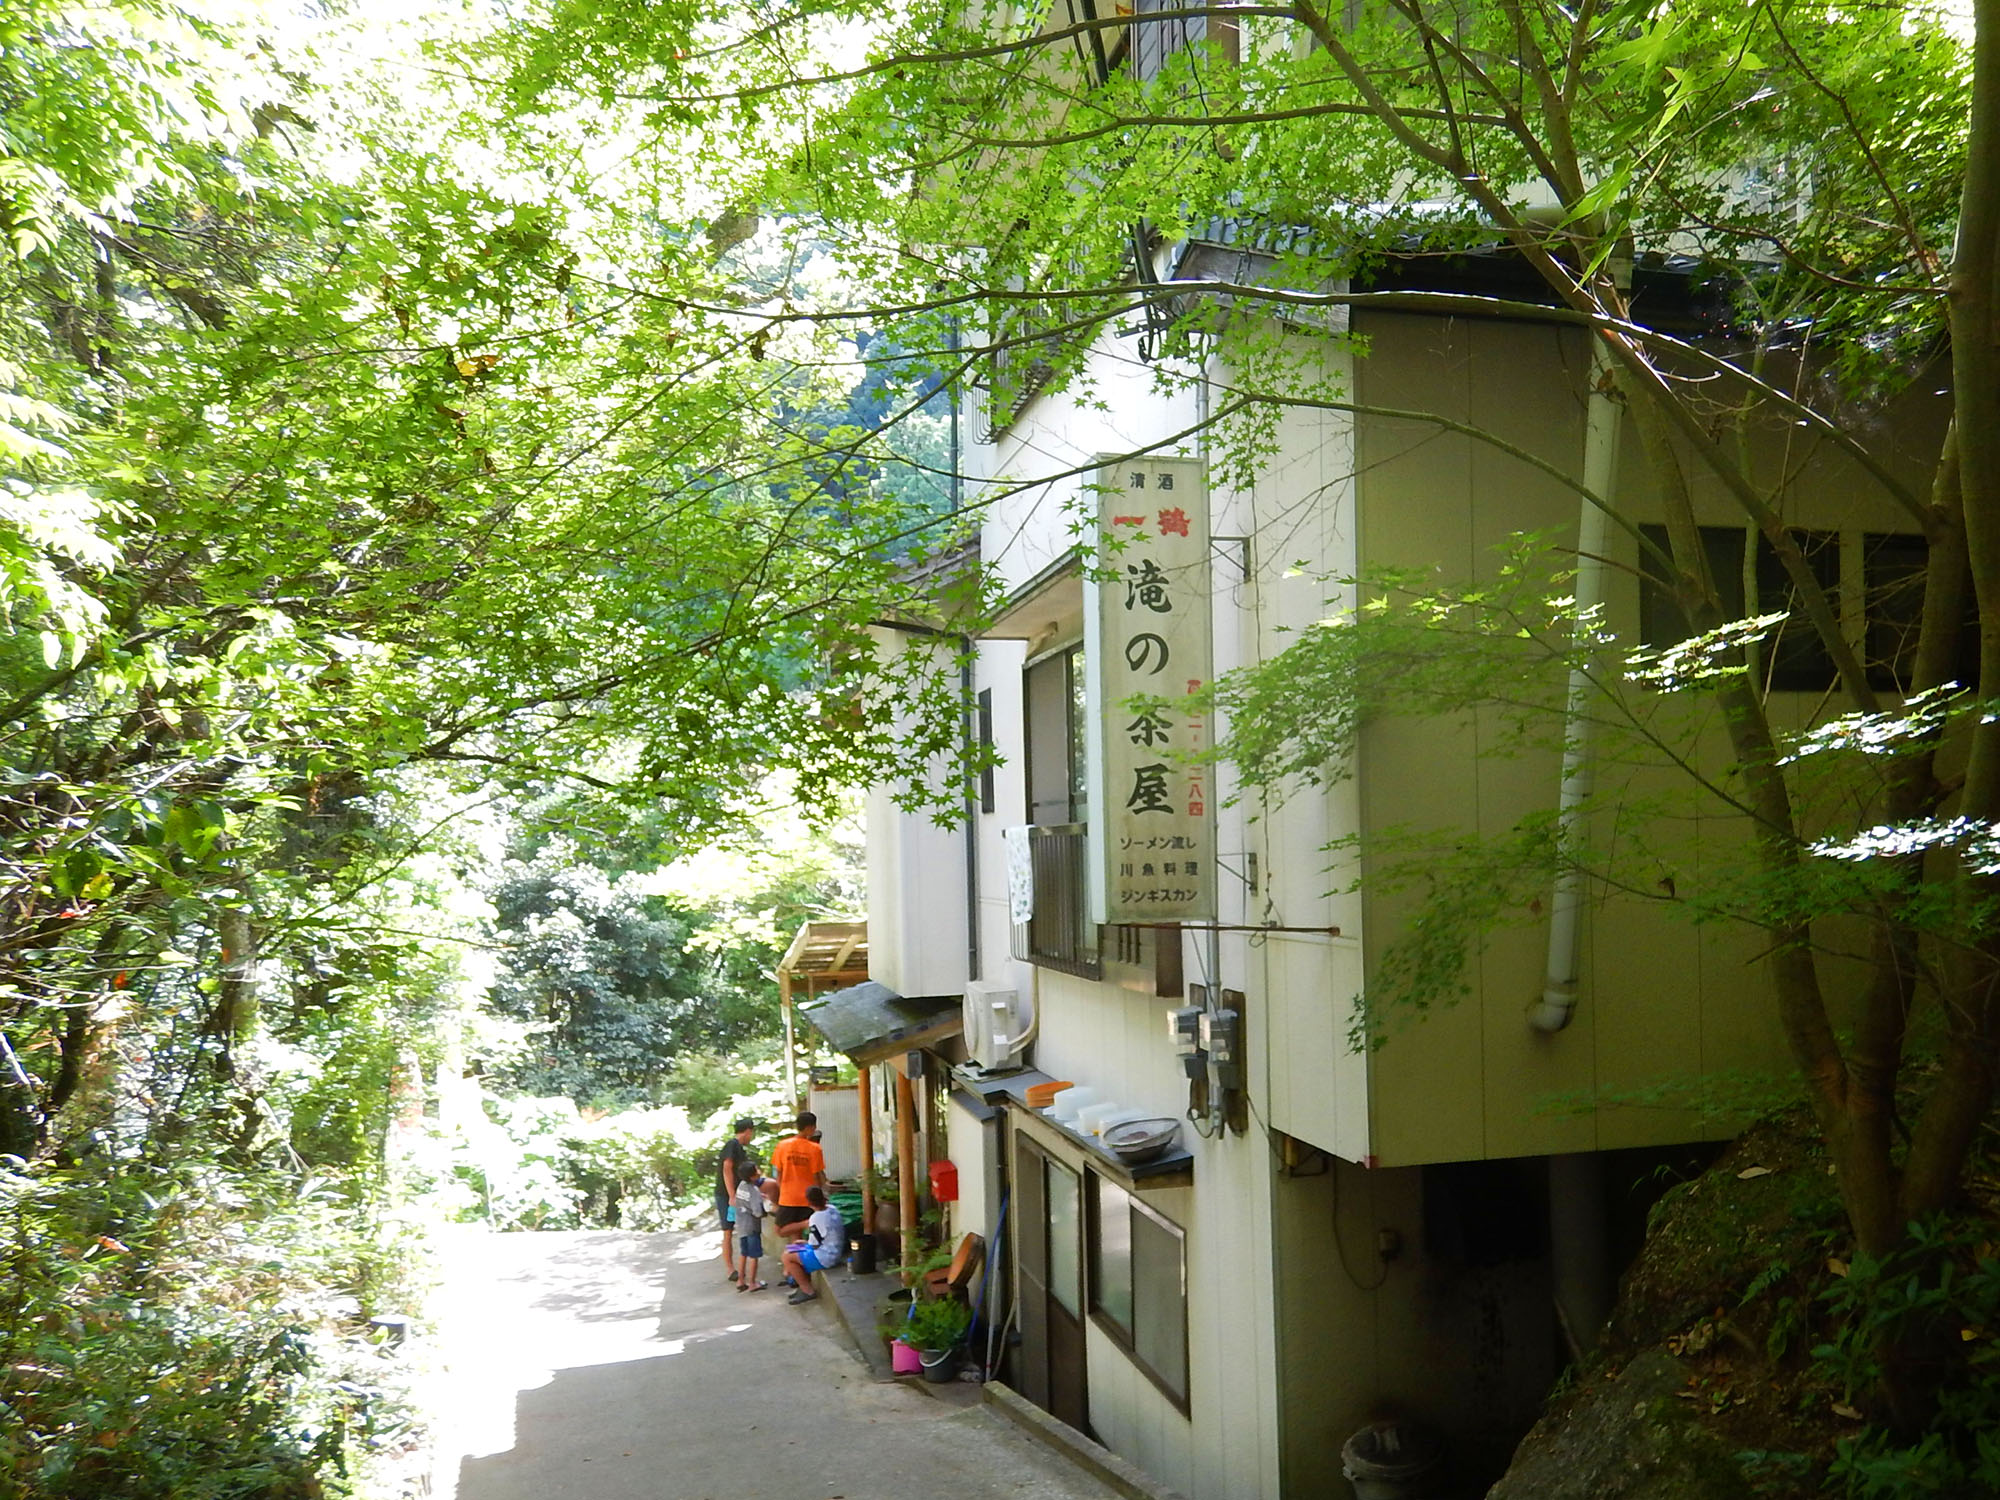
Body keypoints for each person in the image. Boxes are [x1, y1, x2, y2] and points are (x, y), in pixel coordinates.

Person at [768, 1111, 826, 1238]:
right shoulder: (815, 1149)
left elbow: (778, 1172)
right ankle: (807, 1223)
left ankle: (796, 1255)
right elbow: (817, 1176)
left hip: (788, 1197)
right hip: (808, 1197)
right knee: (782, 1230)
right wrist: (820, 1196)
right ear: (809, 1127)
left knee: (790, 1231)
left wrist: (781, 1190)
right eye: (814, 1127)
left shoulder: (782, 1146)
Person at [783, 1186, 846, 1304]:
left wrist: (804, 1243)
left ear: (809, 1202)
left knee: (787, 1257)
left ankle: (807, 1290)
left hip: (824, 1256)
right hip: (833, 1250)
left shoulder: (816, 1218)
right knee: (791, 1248)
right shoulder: (832, 1209)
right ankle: (799, 1282)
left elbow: (814, 1245)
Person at [714, 1118, 756, 1282]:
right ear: (747, 1131)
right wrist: (731, 1195)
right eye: (751, 1132)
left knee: (737, 1230)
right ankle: (731, 1269)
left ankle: (739, 1269)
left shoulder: (740, 1149)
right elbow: (727, 1168)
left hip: (736, 1194)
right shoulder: (732, 1145)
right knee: (728, 1231)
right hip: (725, 1195)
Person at [733, 1162, 769, 1292]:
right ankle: (752, 1283)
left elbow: (744, 1200)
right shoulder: (754, 1190)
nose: (759, 1171)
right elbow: (757, 1212)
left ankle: (740, 1280)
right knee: (754, 1255)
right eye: (756, 1170)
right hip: (752, 1227)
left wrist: (759, 1197)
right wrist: (764, 1207)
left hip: (741, 1225)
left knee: (744, 1253)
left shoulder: (741, 1185)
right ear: (752, 1176)